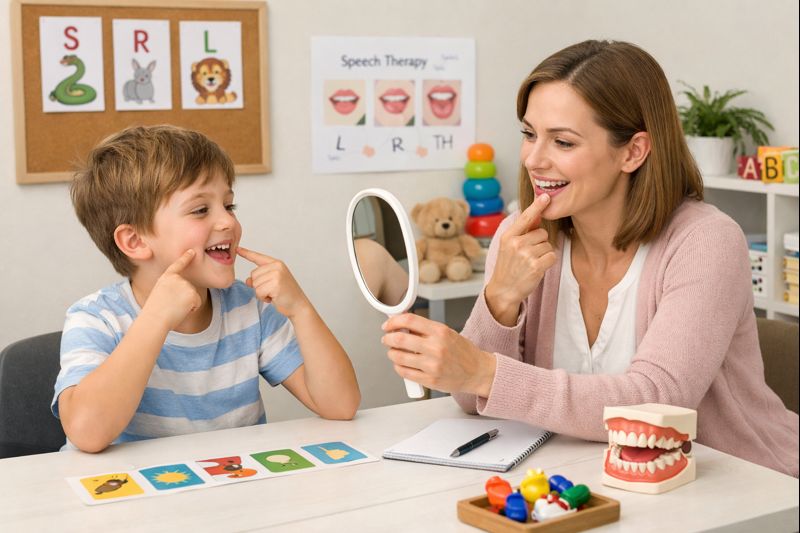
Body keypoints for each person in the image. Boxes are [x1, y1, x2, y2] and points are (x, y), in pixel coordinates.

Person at [381, 40, 798, 477]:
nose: (533, 160)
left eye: (562, 141)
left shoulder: (705, 242)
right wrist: (500, 299)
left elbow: (657, 403)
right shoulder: (520, 238)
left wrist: (485, 372)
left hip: (744, 483)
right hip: (595, 481)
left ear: (633, 152)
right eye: (528, 134)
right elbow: (471, 399)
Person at [53, 125, 360, 453]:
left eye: (229, 206)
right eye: (201, 210)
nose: (228, 222)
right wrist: (156, 318)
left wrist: (301, 310)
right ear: (135, 241)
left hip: (227, 489)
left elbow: (340, 406)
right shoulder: (95, 318)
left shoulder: (248, 307)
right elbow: (87, 433)